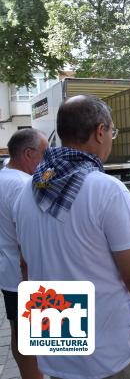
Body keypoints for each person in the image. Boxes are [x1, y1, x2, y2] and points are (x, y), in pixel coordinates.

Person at [14, 95, 130, 378]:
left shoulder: (30, 191)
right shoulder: (105, 189)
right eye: (112, 132)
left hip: (56, 348)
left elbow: (26, 267)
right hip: (111, 353)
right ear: (100, 131)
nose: (111, 139)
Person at [0, 129, 47, 379]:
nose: (47, 160)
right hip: (25, 278)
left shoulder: (3, 178)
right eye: (45, 154)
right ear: (29, 154)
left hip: (9, 277)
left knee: (20, 338)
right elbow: (25, 241)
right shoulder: (23, 185)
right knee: (37, 343)